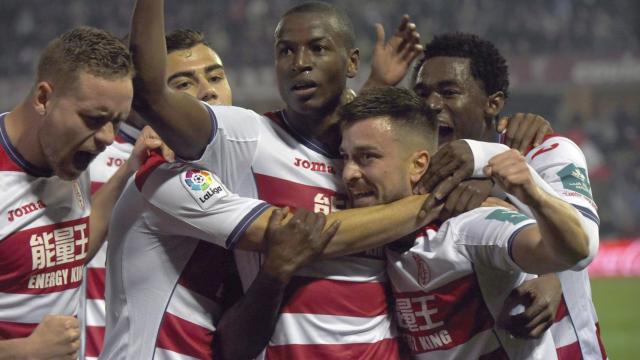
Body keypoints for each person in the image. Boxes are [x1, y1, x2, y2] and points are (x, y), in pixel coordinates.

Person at [128, 0, 435, 358]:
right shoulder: (245, 136)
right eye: (285, 51)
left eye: (317, 48)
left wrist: (480, 158)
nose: (299, 63)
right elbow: (151, 95)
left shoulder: (377, 155)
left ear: (351, 62)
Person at [339, 86, 589, 358]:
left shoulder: (469, 225)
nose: (349, 173)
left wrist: (535, 194)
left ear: (418, 164)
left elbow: (571, 251)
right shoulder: (376, 240)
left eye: (367, 157)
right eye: (345, 158)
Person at [412, 33, 606, 359]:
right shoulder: (417, 168)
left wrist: (481, 157)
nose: (431, 105)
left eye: (449, 92)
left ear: (493, 103)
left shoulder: (546, 150)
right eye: (422, 93)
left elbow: (582, 243)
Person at [0, 26, 163, 359]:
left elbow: (74, 246)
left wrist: (130, 169)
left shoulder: (66, 156)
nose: (106, 137)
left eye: (116, 122)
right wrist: (22, 352)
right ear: (44, 98)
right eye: (93, 118)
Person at [81, 28, 233, 360]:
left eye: (216, 77)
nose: (207, 92)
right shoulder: (87, 160)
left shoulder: (228, 162)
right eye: (183, 83)